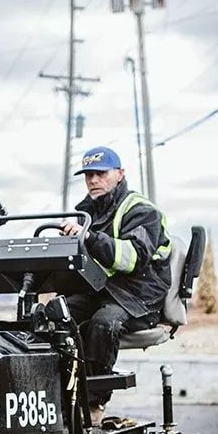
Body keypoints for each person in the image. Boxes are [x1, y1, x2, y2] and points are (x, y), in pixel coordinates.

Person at [60, 145, 172, 388]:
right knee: (55, 314)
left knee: (104, 323)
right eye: (89, 175)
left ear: (120, 174)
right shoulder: (83, 212)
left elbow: (133, 258)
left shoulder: (142, 211)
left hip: (138, 297)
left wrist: (88, 237)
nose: (94, 180)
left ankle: (94, 404)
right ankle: (62, 397)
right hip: (102, 291)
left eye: (101, 173)